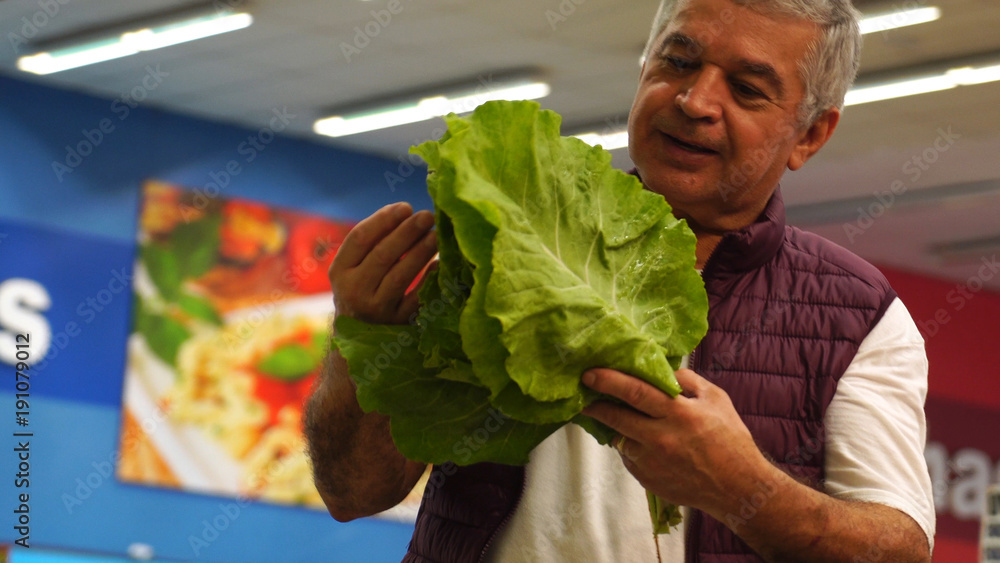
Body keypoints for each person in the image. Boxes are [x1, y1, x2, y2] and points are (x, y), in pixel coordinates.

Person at [305, 0, 936, 560]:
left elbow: (900, 548)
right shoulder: (510, 236)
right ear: (643, 71)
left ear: (810, 134)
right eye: (679, 62)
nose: (695, 102)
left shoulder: (857, 315)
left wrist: (743, 485)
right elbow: (354, 491)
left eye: (745, 89)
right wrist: (361, 338)